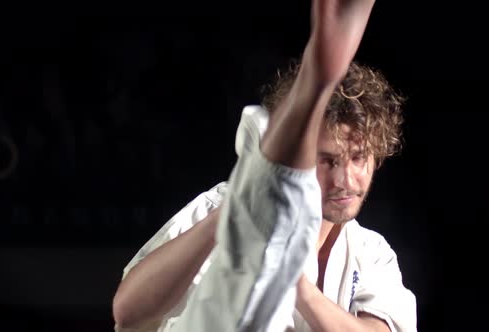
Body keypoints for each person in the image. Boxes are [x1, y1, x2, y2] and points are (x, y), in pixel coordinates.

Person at [112, 0, 417, 331]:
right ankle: (296, 119)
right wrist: (232, 213)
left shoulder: (370, 252)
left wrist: (295, 283)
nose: (346, 180)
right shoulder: (220, 206)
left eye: (358, 158)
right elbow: (128, 313)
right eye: (327, 161)